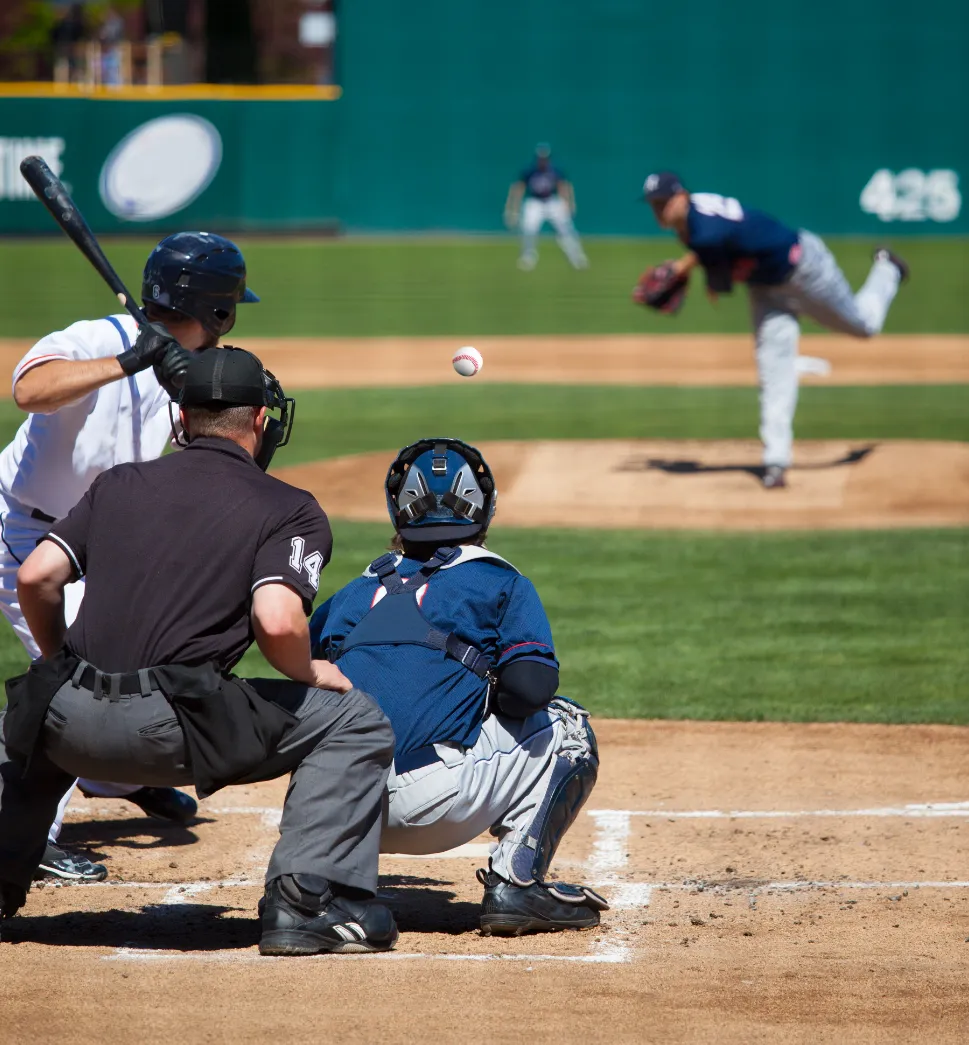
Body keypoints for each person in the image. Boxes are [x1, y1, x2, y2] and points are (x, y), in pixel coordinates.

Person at [0, 348, 398, 957]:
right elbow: (276, 617)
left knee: (23, 725)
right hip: (173, 732)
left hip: (68, 726)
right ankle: (303, 906)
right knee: (354, 721)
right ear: (262, 421)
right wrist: (308, 668)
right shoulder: (288, 508)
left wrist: (62, 669)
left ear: (181, 420)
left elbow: (35, 577)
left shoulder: (119, 482)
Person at [0, 231, 257, 881]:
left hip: (93, 538)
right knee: (76, 677)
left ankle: (111, 779)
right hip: (26, 533)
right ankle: (25, 837)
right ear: (216, 309)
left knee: (141, 664)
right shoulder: (96, 338)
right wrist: (128, 359)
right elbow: (30, 389)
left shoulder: (178, 364)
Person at [310, 438, 607, 936]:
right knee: (568, 727)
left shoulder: (353, 592)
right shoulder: (498, 582)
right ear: (485, 508)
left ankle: (318, 884)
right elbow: (530, 689)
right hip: (433, 804)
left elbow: (311, 678)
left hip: (333, 809)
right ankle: (517, 884)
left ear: (397, 511)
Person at [639, 171, 908, 488]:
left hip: (805, 269)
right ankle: (776, 462)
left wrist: (691, 274)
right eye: (653, 204)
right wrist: (684, 267)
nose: (659, 209)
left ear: (682, 195)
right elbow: (717, 249)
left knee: (864, 326)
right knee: (773, 371)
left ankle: (888, 268)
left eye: (664, 202)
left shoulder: (702, 232)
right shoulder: (693, 221)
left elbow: (719, 277)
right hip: (766, 290)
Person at [504, 144, 588, 271]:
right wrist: (512, 207)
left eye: (545, 158)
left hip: (552, 201)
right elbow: (518, 188)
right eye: (541, 158)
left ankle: (576, 256)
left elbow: (563, 186)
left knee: (566, 228)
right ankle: (528, 256)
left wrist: (568, 203)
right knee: (528, 228)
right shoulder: (530, 171)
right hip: (535, 202)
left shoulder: (555, 170)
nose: (543, 161)